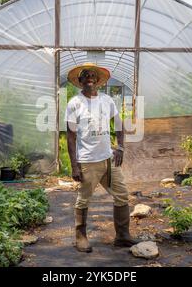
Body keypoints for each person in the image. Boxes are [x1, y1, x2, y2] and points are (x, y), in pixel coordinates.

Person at [65, 62, 138, 253]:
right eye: (86, 75)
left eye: (93, 76)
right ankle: (80, 237)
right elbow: (71, 136)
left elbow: (120, 124)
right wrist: (74, 166)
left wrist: (120, 147)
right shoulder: (75, 103)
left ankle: (122, 236)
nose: (90, 78)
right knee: (83, 200)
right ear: (80, 81)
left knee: (121, 195)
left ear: (98, 81)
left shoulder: (107, 100)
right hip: (88, 162)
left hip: (108, 160)